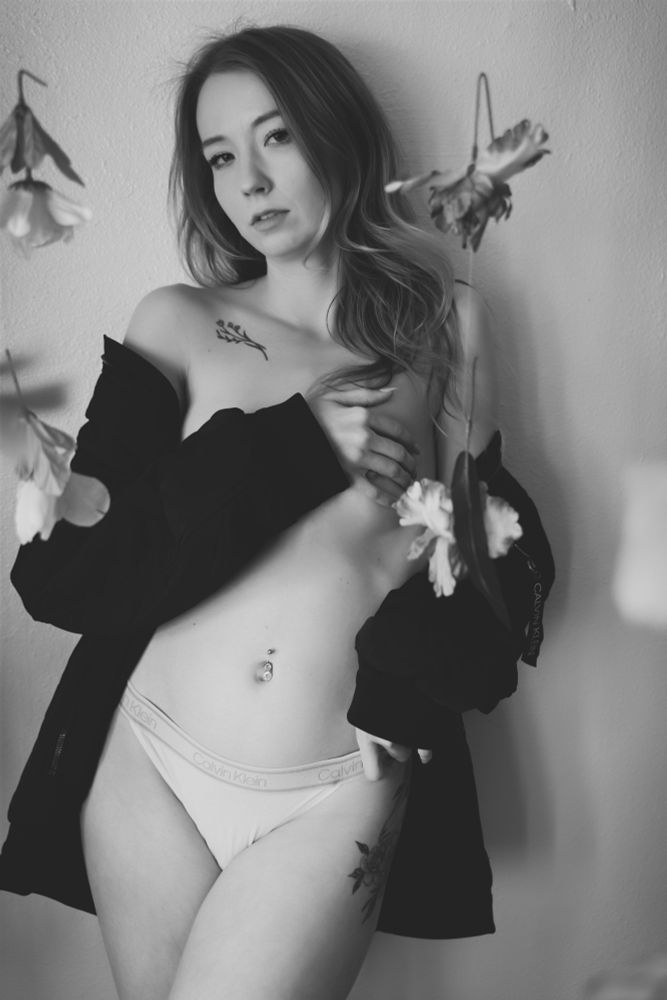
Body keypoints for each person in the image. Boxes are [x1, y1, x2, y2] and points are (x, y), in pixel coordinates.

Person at [0, 24, 555, 1000]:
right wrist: (296, 441)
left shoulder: (439, 328)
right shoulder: (176, 321)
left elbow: (489, 559)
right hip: (147, 758)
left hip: (334, 787)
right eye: (219, 157)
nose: (248, 180)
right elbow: (68, 570)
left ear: (338, 135)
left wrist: (411, 685)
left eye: (276, 138)